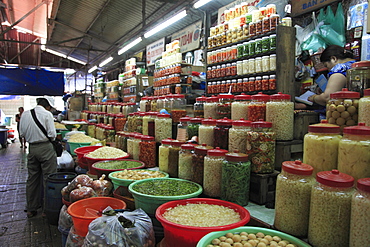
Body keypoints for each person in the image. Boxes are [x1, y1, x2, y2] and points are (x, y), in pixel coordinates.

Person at [19, 98, 57, 218]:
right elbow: (52, 134)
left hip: (32, 149)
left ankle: (31, 208)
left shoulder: (25, 114)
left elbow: (21, 133)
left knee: (32, 178)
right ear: (48, 106)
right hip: (45, 148)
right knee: (48, 178)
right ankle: (46, 209)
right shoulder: (47, 114)